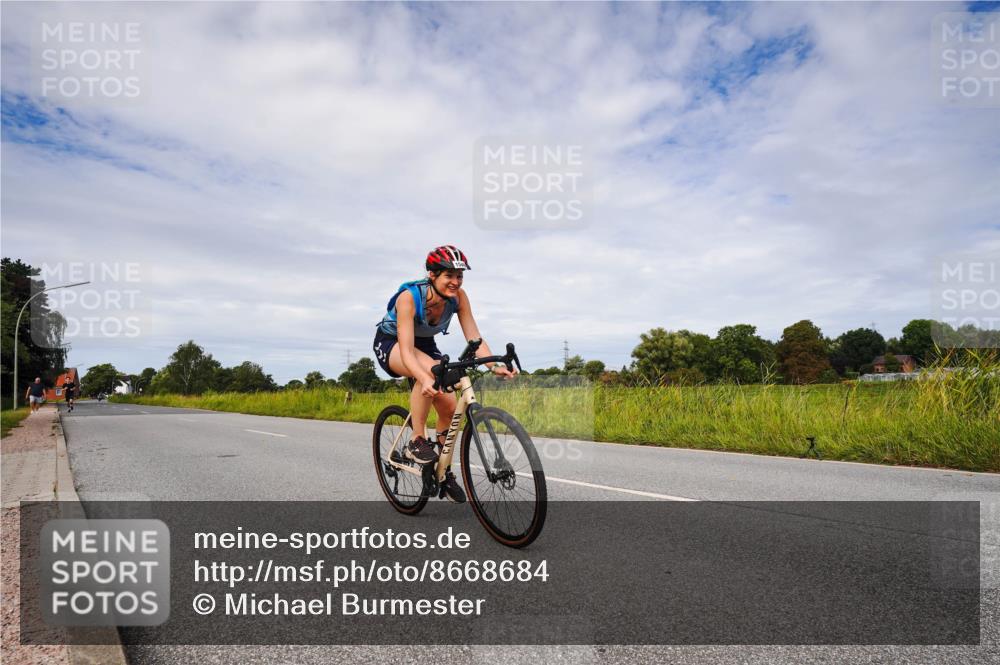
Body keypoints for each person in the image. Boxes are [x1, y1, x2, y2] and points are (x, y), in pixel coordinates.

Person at [373, 245, 516, 503]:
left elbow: (474, 337)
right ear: (432, 275)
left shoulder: (458, 298)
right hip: (392, 342)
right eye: (449, 275)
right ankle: (417, 440)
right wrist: (424, 375)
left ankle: (442, 471)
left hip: (425, 345)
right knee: (428, 373)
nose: (455, 281)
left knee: (450, 408)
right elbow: (407, 351)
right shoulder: (409, 297)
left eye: (459, 276)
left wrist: (493, 366)